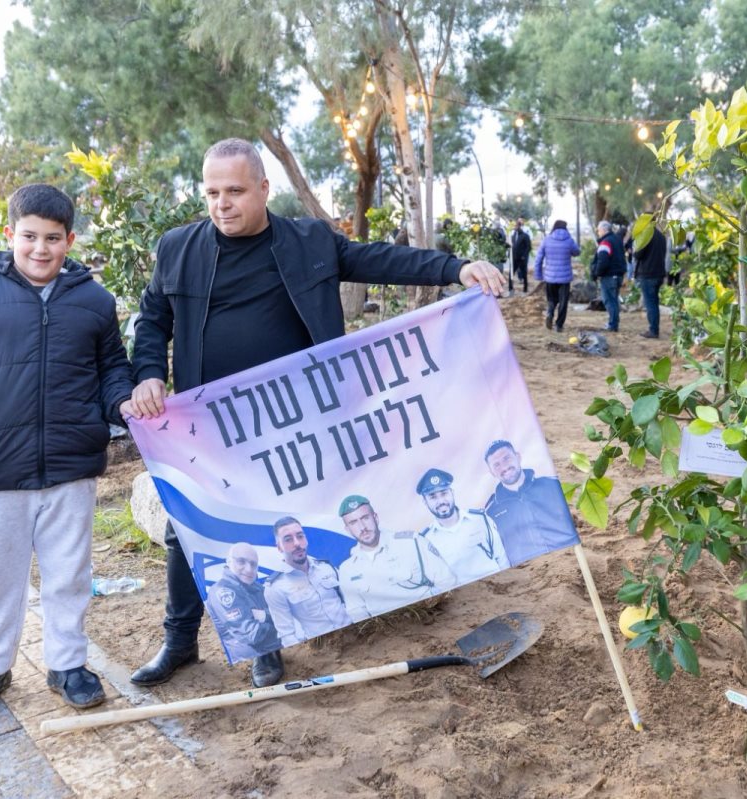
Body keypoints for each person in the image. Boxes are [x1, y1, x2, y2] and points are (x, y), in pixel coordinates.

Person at [124, 137, 504, 689]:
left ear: (262, 189)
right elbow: (152, 318)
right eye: (211, 192)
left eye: (233, 191)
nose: (221, 204)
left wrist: (455, 268)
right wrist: (148, 373)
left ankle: (268, 645)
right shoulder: (178, 248)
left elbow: (378, 259)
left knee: (280, 525)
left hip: (296, 421)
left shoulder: (307, 240)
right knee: (190, 531)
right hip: (205, 428)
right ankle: (179, 642)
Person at [0, 184, 135, 721]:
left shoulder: (94, 301)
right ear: (9, 234)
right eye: (30, 236)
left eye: (53, 238)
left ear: (71, 240)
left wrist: (121, 406)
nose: (41, 248)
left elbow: (111, 371)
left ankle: (67, 664)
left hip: (70, 467)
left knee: (69, 573)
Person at [336, 495, 457, 621]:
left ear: (375, 518)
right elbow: (358, 614)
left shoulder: (412, 543)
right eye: (353, 522)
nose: (362, 527)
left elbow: (448, 582)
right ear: (348, 529)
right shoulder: (347, 570)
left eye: (365, 518)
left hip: (431, 619)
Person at [482, 440, 579, 565]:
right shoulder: (490, 513)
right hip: (532, 575)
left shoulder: (554, 486)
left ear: (518, 457)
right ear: (492, 472)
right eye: (496, 465)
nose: (504, 467)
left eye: (506, 458)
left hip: (570, 560)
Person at [264, 516, 352, 648]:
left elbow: (350, 603)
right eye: (288, 539)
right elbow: (287, 635)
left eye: (300, 536)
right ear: (279, 547)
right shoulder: (275, 588)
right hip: (325, 648)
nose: (297, 543)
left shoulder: (326, 567)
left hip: (355, 635)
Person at [415, 468, 508, 584]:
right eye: (433, 497)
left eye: (444, 493)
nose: (441, 501)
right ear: (425, 502)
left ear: (452, 493)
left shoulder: (480, 519)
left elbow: (502, 559)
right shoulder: (426, 541)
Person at [205, 543, 282, 662]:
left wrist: (265, 616)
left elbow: (282, 611)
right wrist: (282, 622)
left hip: (271, 645)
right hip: (249, 655)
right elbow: (253, 635)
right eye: (241, 562)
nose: (249, 569)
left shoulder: (256, 587)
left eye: (253, 564)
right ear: (229, 562)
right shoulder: (223, 592)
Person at [533, 220, 579, 332]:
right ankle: (559, 325)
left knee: (551, 299)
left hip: (550, 277)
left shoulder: (546, 240)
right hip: (564, 278)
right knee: (563, 302)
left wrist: (538, 275)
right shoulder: (569, 240)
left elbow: (538, 259)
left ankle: (550, 312)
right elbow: (577, 252)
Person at [590, 220, 626, 332]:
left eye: (599, 230)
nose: (598, 232)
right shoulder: (617, 240)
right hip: (618, 275)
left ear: (604, 230)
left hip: (609, 276)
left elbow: (603, 260)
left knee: (609, 300)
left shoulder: (606, 242)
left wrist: (596, 273)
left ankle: (613, 325)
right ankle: (613, 323)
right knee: (614, 300)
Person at [633, 226, 668, 339]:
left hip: (648, 274)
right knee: (654, 302)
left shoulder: (646, 235)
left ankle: (653, 330)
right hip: (659, 273)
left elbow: (638, 254)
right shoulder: (661, 235)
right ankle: (654, 328)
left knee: (650, 303)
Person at [510, 218, 532, 293]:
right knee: (511, 274)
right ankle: (510, 289)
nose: (514, 228)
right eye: (514, 226)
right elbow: (512, 246)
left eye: (516, 226)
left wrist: (524, 256)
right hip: (514, 258)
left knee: (524, 274)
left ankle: (525, 289)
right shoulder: (513, 236)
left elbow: (528, 247)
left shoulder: (525, 236)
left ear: (519, 227)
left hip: (522, 259)